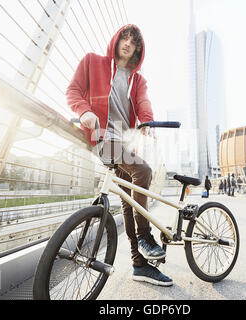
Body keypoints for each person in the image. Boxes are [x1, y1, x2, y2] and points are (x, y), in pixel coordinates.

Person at [66, 24, 172, 287]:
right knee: (143, 171)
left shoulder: (138, 80)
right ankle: (146, 238)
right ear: (116, 40)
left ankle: (139, 264)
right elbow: (73, 92)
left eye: (133, 41)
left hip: (126, 144)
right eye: (124, 37)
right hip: (102, 138)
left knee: (128, 200)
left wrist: (146, 122)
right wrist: (84, 111)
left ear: (138, 49)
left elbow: (143, 103)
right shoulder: (93, 62)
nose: (127, 42)